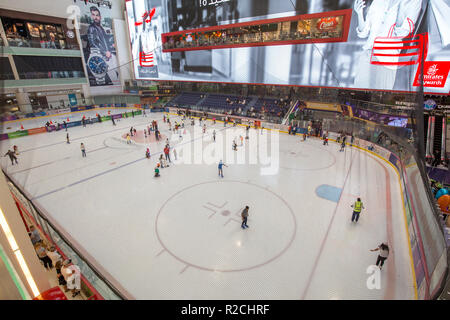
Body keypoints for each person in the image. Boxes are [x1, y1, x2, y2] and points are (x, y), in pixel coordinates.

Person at [87, 6, 119, 85]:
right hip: (100, 55)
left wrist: (112, 44)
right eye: (93, 15)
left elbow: (104, 40)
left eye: (97, 15)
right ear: (91, 16)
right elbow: (92, 43)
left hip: (107, 54)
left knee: (118, 71)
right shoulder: (91, 28)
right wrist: (104, 52)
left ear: (100, 17)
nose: (95, 17)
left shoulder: (100, 27)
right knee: (114, 77)